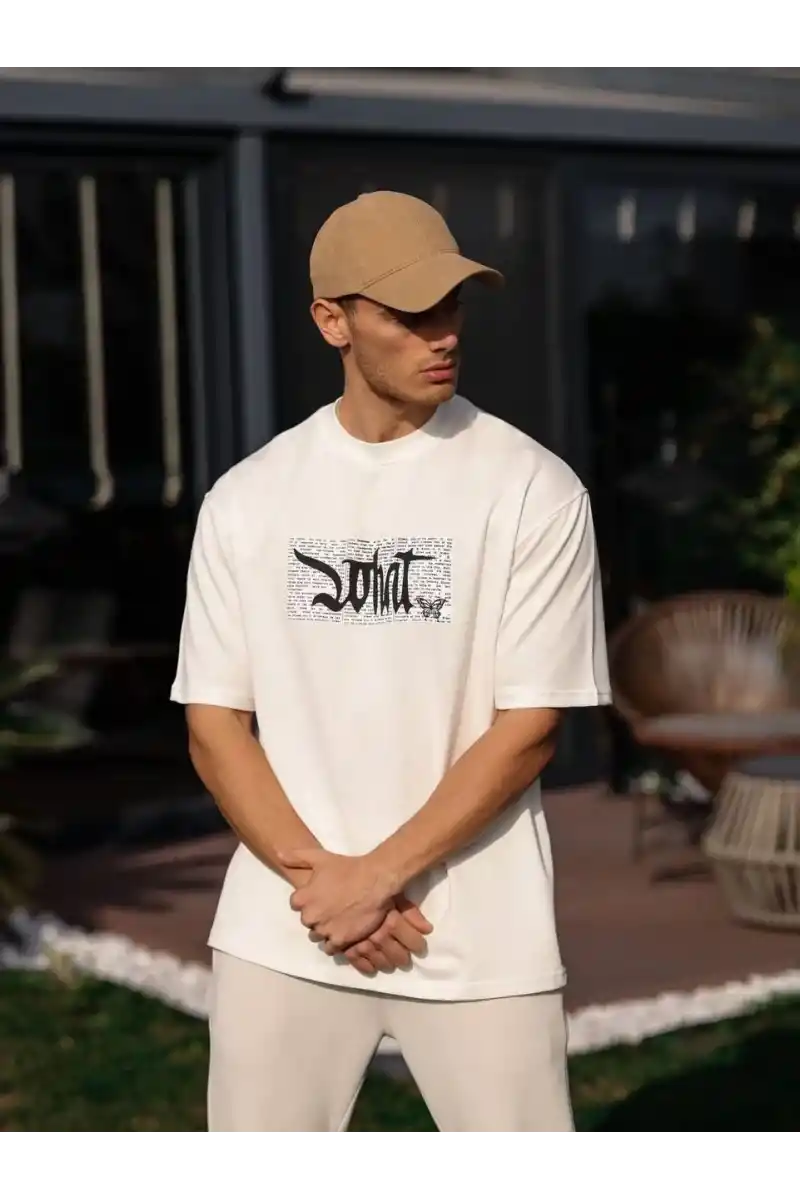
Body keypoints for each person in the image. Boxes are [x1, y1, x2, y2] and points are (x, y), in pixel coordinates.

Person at [171, 190, 611, 1135]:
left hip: (478, 934)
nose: (441, 335)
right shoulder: (247, 499)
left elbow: (530, 727)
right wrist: (325, 886)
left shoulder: (534, 490)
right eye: (409, 314)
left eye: (450, 307)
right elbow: (214, 725)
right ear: (331, 321)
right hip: (286, 928)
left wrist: (373, 879)